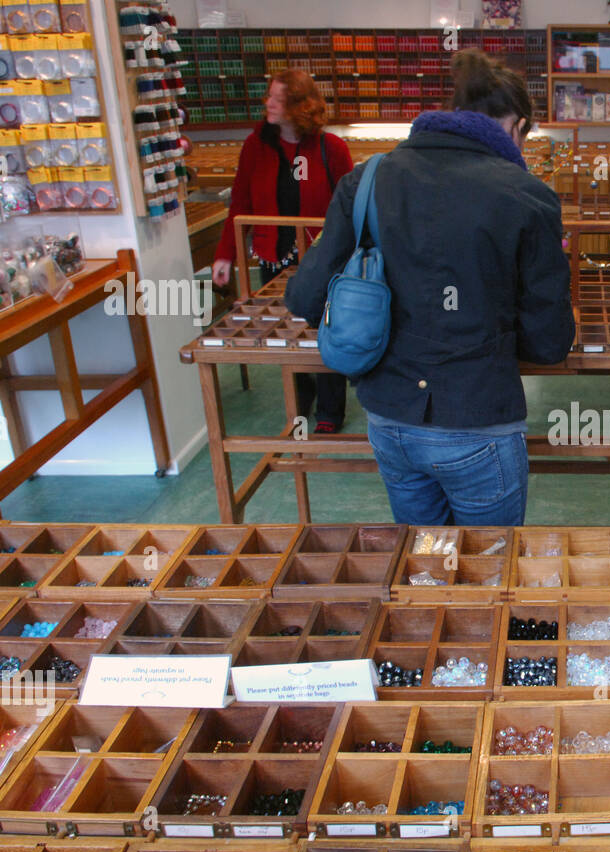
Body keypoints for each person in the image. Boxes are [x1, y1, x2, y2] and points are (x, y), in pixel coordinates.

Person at [285, 50, 574, 526]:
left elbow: (307, 296)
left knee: (425, 569)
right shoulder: (527, 195)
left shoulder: (367, 178)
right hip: (478, 420)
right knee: (490, 574)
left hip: (390, 418)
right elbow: (549, 342)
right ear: (517, 125)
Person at [212, 70, 354, 434]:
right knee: (287, 335)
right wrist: (225, 255)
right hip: (273, 258)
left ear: (297, 106)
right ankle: (300, 402)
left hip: (321, 261)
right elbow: (239, 204)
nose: (267, 104)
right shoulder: (255, 146)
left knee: (324, 332)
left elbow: (349, 208)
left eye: (276, 98)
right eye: (269, 97)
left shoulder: (331, 148)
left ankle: (330, 409)